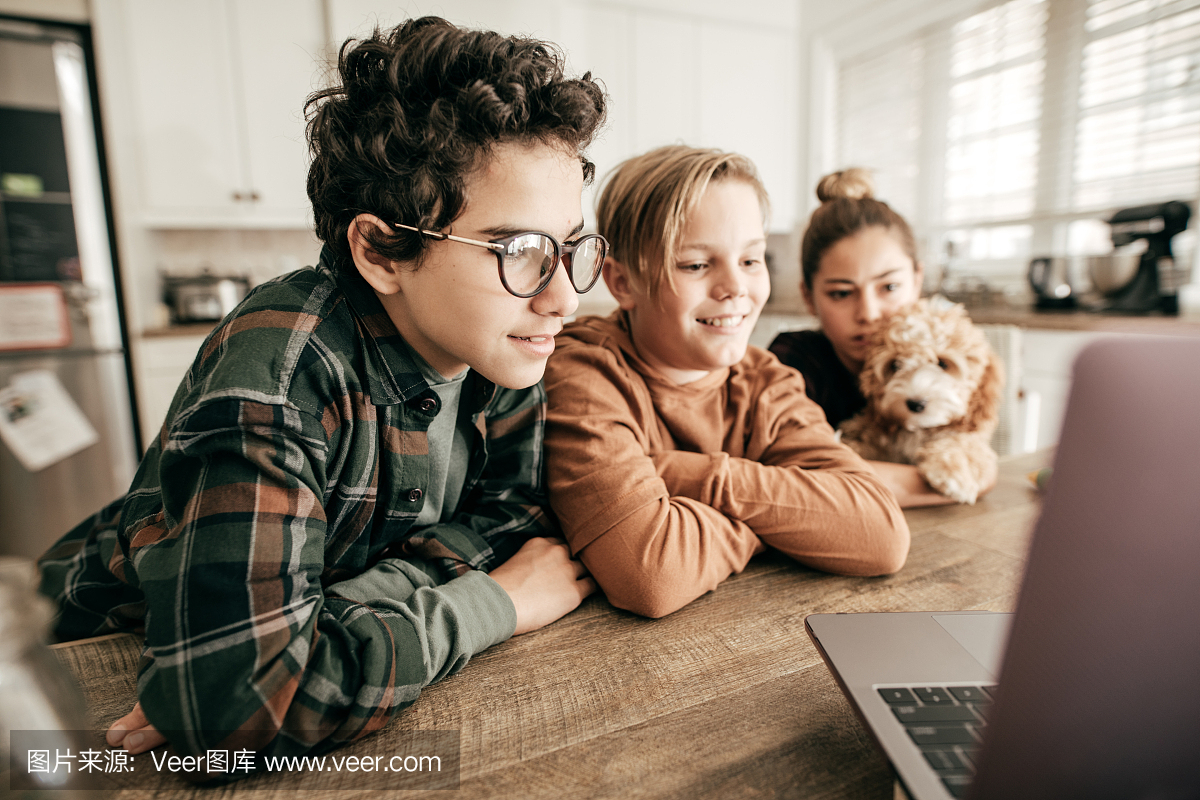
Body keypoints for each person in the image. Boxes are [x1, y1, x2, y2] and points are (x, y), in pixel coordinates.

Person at [36, 17, 605, 765]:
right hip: (72, 683)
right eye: (519, 250)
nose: (564, 296)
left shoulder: (500, 346)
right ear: (378, 250)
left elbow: (510, 516)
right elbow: (234, 712)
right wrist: (491, 603)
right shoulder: (277, 371)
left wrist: (342, 611)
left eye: (570, 247)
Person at [542, 146, 909, 620]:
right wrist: (791, 522)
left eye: (752, 261)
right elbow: (651, 575)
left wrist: (680, 473)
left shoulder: (766, 381)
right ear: (623, 283)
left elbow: (879, 535)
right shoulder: (585, 370)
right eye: (696, 265)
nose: (735, 287)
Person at [769, 168, 986, 507]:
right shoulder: (792, 364)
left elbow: (979, 461)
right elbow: (794, 481)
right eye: (841, 293)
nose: (869, 313)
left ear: (917, 279)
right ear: (809, 297)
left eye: (889, 287)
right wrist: (949, 482)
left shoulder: (958, 358)